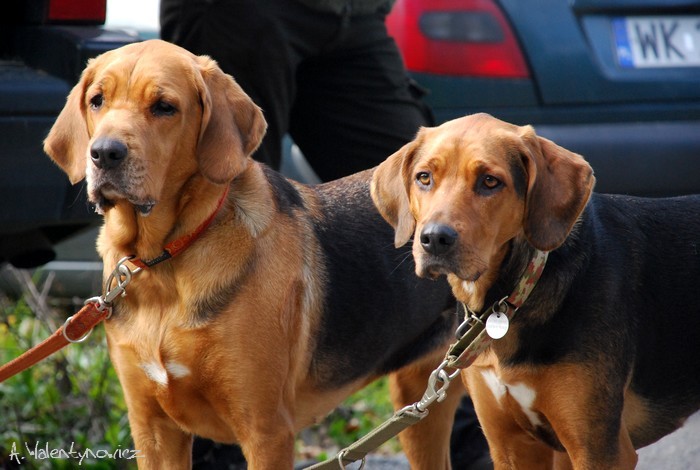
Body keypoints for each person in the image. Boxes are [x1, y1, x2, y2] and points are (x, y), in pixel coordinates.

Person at [160, 1, 491, 468]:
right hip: (237, 14)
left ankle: (478, 444)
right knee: (221, 216)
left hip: (351, 14)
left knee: (431, 203)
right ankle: (222, 457)